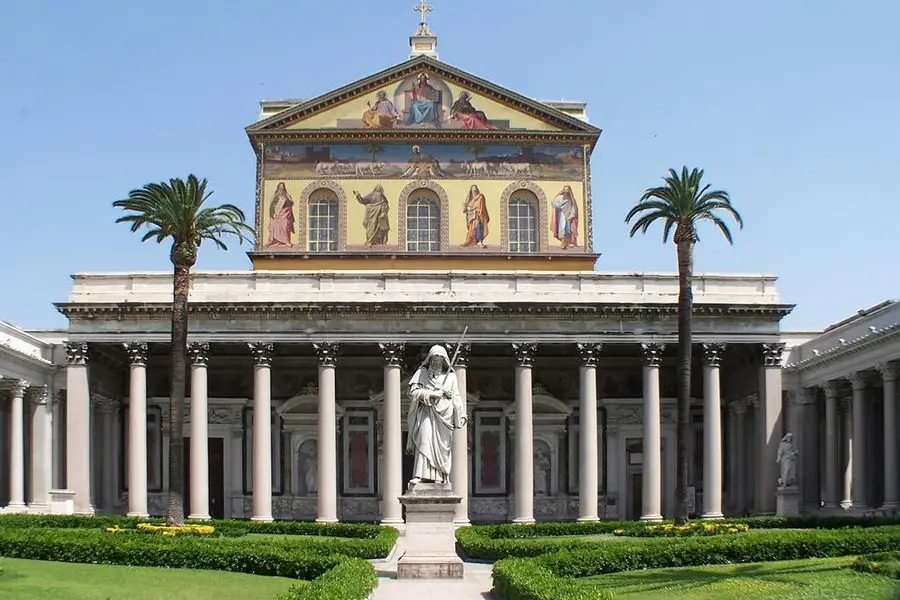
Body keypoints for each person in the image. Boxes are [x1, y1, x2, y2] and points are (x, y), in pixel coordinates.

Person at [406, 345, 466, 485]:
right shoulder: (421, 373)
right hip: (426, 413)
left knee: (442, 448)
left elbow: (456, 397)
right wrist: (432, 394)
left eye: (438, 361)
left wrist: (462, 414)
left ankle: (439, 476)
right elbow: (412, 393)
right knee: (424, 439)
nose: (435, 363)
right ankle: (420, 475)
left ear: (444, 361)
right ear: (429, 359)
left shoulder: (451, 377)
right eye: (433, 360)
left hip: (444, 416)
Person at [266, 182, 295, 248]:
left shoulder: (287, 196)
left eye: (282, 187)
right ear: (278, 188)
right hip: (276, 215)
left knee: (284, 226)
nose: (281, 189)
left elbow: (290, 204)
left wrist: (288, 200)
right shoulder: (275, 197)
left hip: (285, 214)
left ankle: (286, 241)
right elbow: (272, 206)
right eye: (280, 187)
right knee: (274, 225)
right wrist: (274, 213)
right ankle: (275, 241)